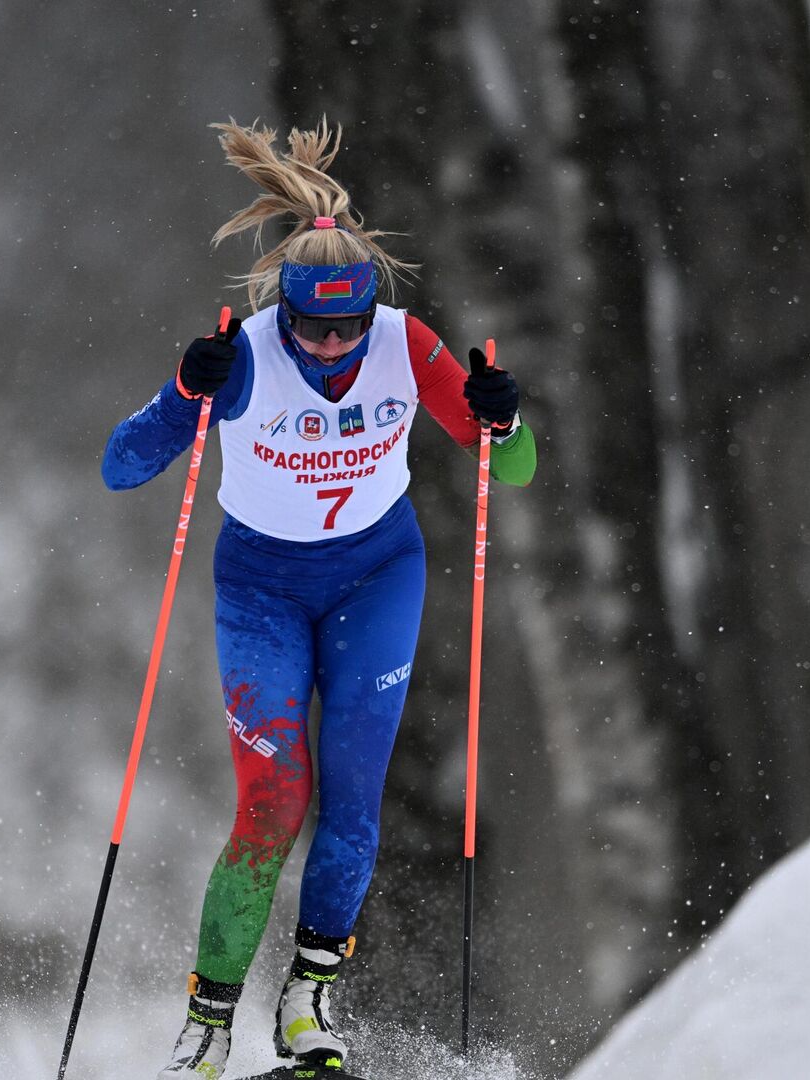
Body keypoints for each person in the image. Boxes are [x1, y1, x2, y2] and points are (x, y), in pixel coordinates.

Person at [101, 118, 536, 1079]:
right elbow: (122, 467)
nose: (335, 347)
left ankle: (308, 998)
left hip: (377, 577)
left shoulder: (400, 344)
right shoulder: (247, 355)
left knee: (352, 800)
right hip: (261, 588)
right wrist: (184, 393)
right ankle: (207, 1025)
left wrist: (504, 414)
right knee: (271, 803)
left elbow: (519, 468)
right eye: (314, 328)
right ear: (284, 310)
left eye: (349, 325)